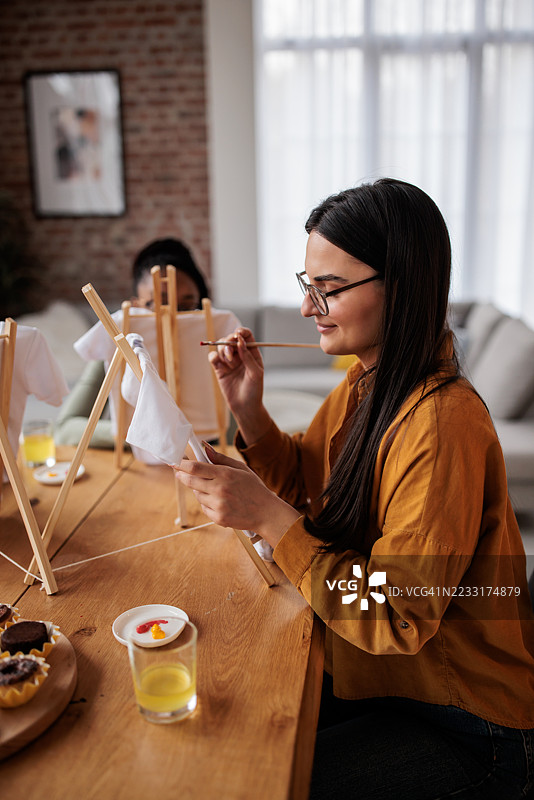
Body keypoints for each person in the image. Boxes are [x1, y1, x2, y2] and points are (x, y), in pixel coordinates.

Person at [175, 178, 534, 799]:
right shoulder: (365, 381)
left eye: (331, 289)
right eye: (306, 285)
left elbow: (397, 613)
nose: (311, 308)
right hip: (389, 682)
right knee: (234, 723)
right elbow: (315, 490)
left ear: (404, 287)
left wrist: (268, 518)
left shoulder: (442, 422)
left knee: (262, 779)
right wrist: (250, 411)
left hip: (468, 724)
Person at [54, 238, 209, 448]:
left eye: (188, 306)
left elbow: (229, 434)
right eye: (161, 305)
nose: (174, 317)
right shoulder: (119, 342)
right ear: (135, 306)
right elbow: (63, 429)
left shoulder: (209, 347)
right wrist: (145, 435)